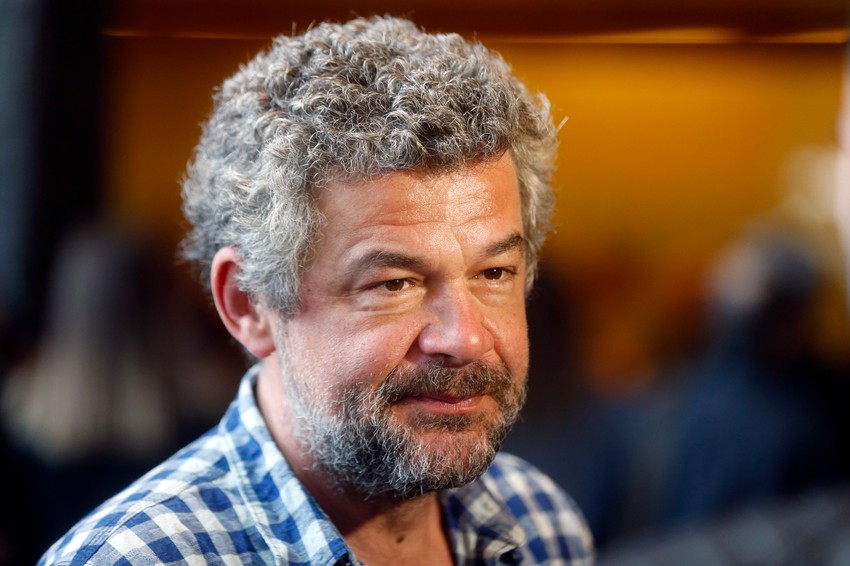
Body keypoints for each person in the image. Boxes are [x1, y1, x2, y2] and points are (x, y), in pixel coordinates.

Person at [39, 16, 594, 565]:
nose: (466, 338)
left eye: (494, 273)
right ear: (249, 304)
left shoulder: (543, 524)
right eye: (394, 283)